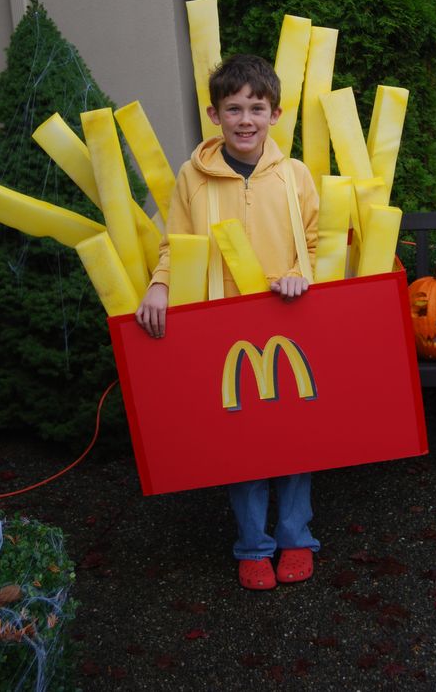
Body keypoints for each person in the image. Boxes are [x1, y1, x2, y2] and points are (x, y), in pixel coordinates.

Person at [136, 54, 321, 590]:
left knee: (295, 437)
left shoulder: (294, 176)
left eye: (256, 108)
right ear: (214, 115)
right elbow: (177, 242)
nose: (246, 119)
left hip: (288, 316)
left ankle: (295, 539)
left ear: (275, 114)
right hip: (222, 323)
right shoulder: (193, 176)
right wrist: (159, 284)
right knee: (239, 440)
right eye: (234, 108)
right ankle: (253, 546)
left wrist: (296, 273)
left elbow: (313, 242)